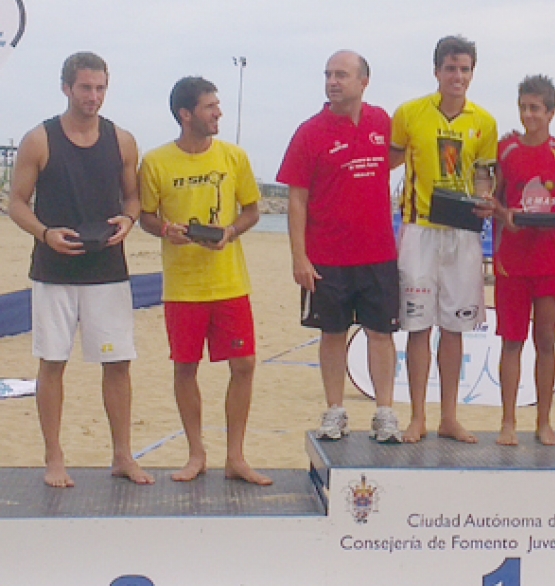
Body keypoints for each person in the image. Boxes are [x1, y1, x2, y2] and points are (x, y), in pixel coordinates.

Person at [8, 52, 154, 488]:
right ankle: (54, 458)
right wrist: (44, 232)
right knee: (52, 362)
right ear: (67, 88)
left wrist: (128, 222)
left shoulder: (122, 140)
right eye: (86, 87)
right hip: (54, 270)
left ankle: (122, 456)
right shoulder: (40, 139)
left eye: (100, 88)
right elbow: (16, 201)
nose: (94, 96)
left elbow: (134, 198)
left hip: (107, 270)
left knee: (118, 364)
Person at [139, 76, 271, 485]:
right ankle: (196, 454)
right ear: (186, 114)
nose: (218, 113)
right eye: (210, 106)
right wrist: (166, 230)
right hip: (183, 287)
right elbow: (145, 215)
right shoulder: (156, 162)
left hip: (229, 282)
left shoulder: (233, 156)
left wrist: (230, 231)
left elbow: (251, 210)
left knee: (244, 364)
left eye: (218, 104)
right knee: (185, 368)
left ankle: (236, 457)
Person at [276, 50, 402, 443]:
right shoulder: (310, 132)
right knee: (332, 334)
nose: (333, 81)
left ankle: (385, 413)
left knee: (380, 334)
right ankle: (335, 411)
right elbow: (296, 199)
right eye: (328, 74)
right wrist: (299, 256)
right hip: (326, 258)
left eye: (342, 75)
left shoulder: (383, 122)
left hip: (378, 253)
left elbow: (397, 156)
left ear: (364, 82)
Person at [389, 35, 498, 444]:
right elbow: (391, 160)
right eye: (450, 68)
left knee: (454, 328)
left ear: (472, 73)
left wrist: (486, 197)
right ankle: (417, 416)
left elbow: (485, 173)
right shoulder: (409, 113)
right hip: (419, 231)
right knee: (419, 326)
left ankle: (449, 416)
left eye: (464, 69)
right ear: (436, 71)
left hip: (463, 234)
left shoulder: (483, 121)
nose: (457, 76)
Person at [489, 75, 555, 446]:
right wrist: (504, 214)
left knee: (546, 338)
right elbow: (493, 199)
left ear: (551, 112)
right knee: (512, 340)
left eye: (536, 109)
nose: (529, 115)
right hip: (513, 259)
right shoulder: (506, 149)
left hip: (550, 258)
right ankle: (508, 421)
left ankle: (544, 421)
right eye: (524, 107)